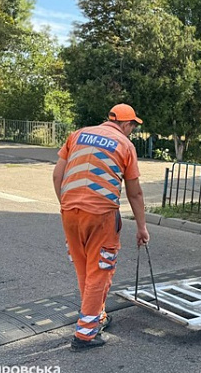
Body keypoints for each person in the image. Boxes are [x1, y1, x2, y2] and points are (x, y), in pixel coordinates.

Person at [52, 103, 150, 351]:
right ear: (126, 124)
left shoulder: (78, 134)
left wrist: (67, 205)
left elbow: (57, 175)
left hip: (69, 211)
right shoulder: (125, 145)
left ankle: (97, 316)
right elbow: (135, 193)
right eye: (133, 127)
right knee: (100, 270)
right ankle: (85, 335)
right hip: (101, 214)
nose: (132, 132)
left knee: (84, 267)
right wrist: (142, 227)